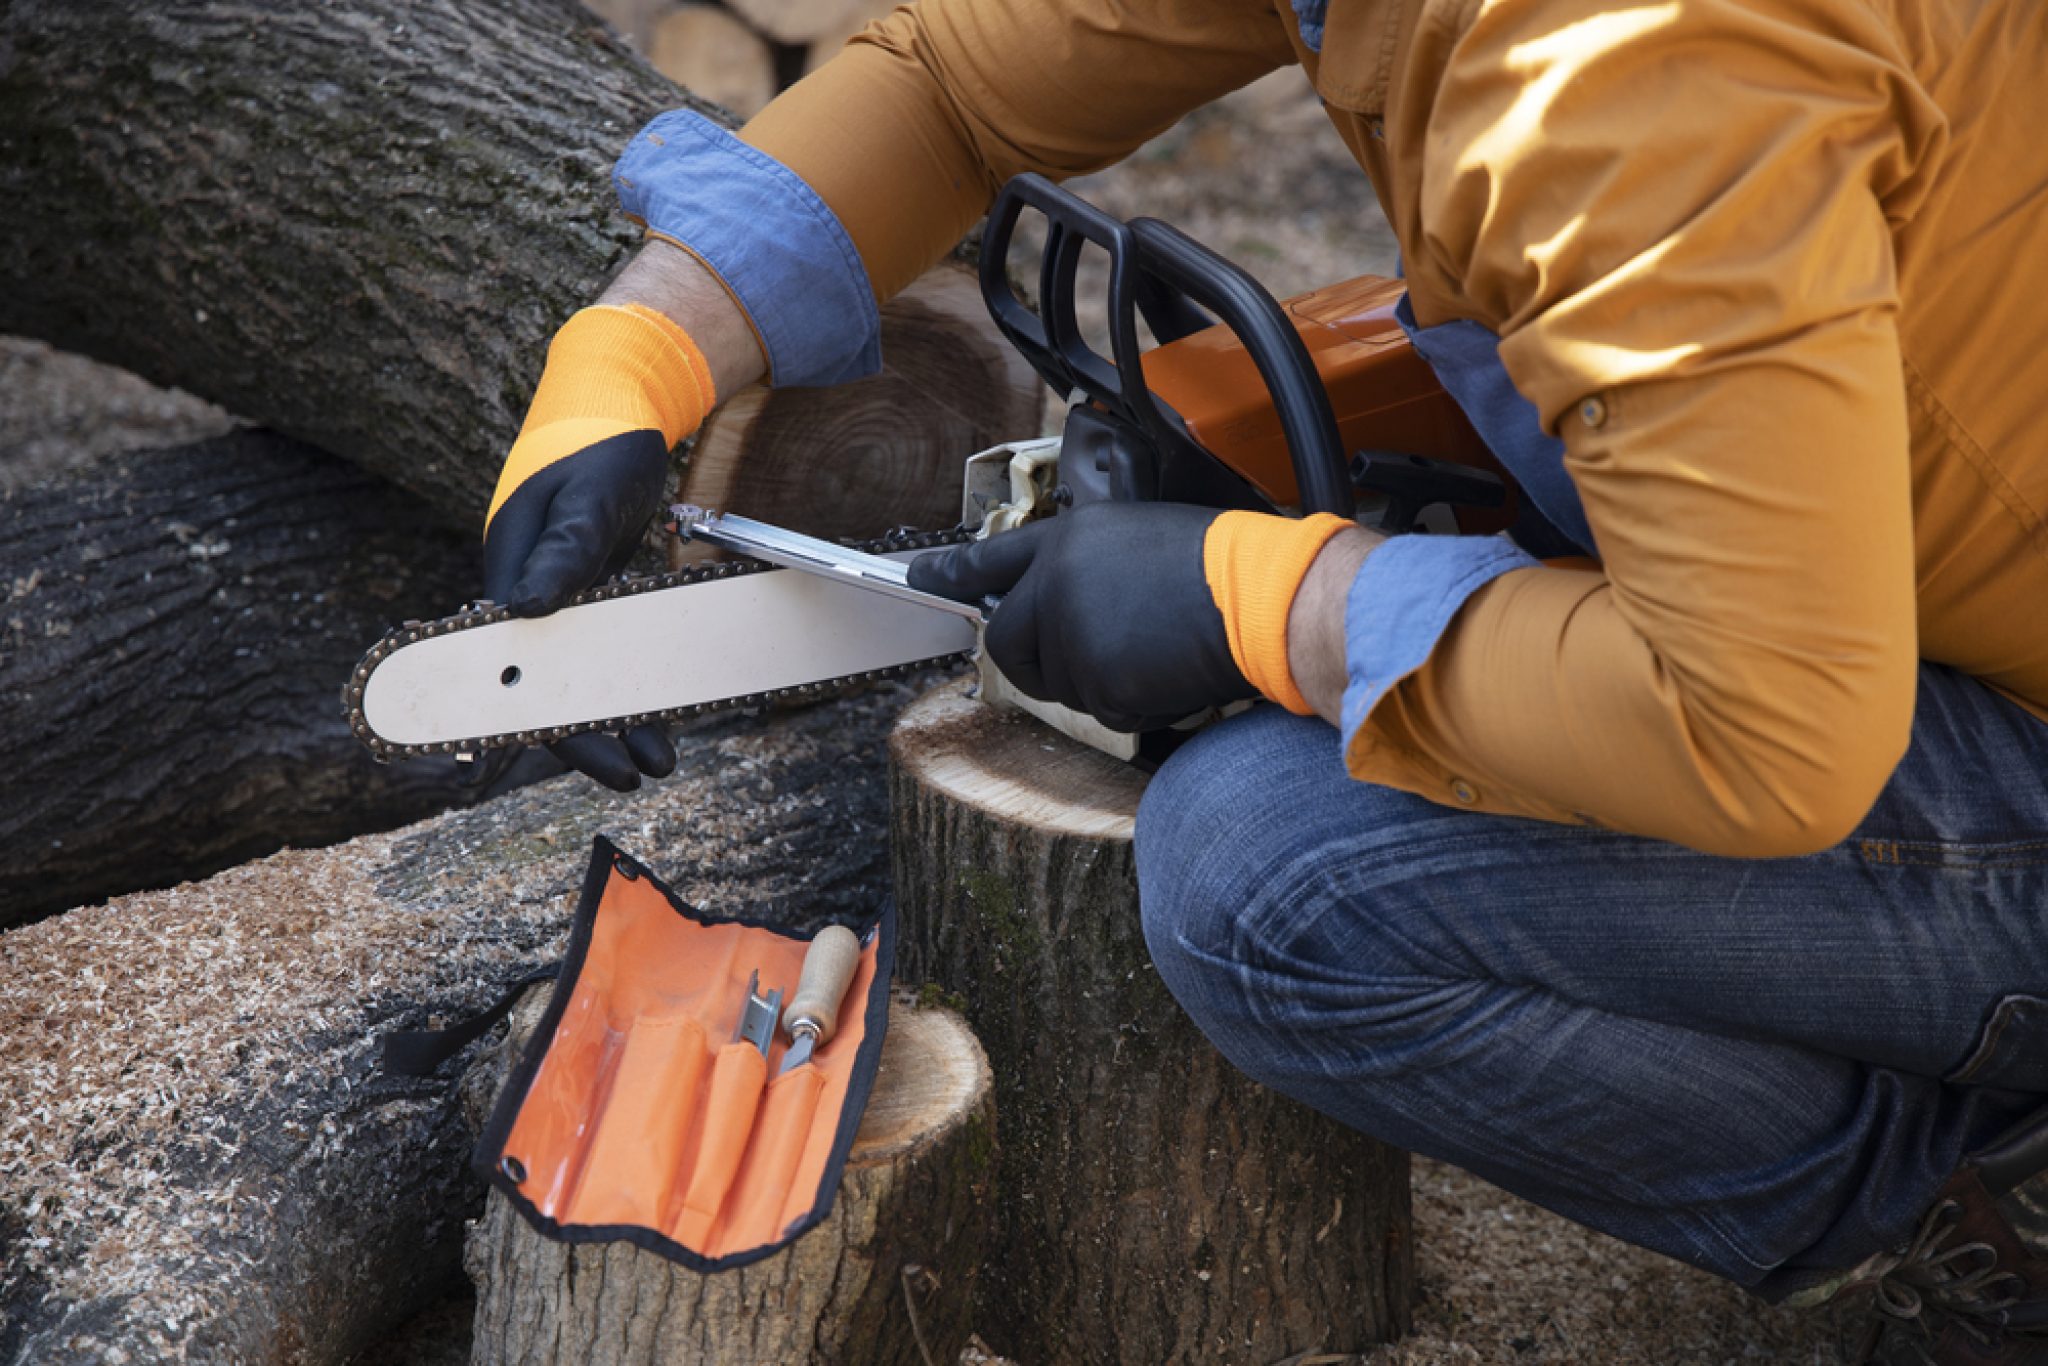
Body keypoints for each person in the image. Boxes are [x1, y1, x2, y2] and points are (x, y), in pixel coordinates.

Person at [477, 0, 2048, 1358]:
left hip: (1902, 708)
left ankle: (1981, 1180)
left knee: (1261, 875)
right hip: (1907, 581)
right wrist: (644, 348)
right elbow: (957, 79)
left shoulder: (1622, 67)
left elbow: (1771, 724)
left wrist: (1263, 601)